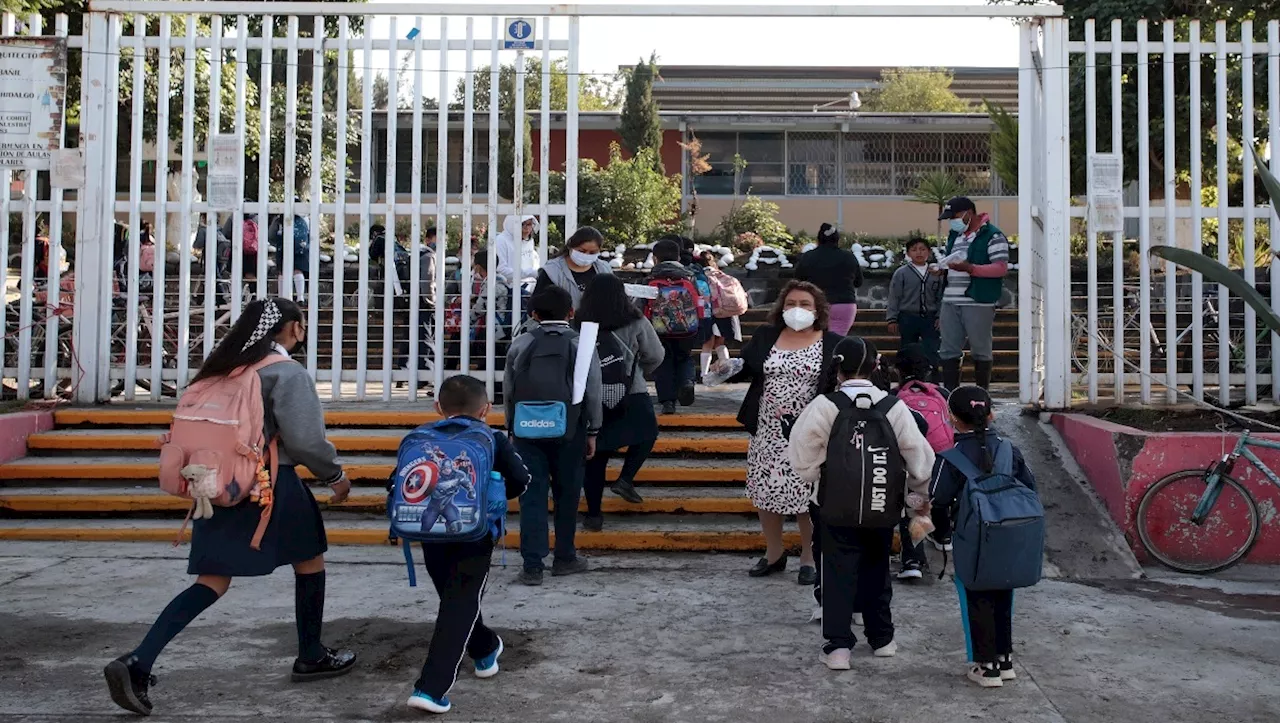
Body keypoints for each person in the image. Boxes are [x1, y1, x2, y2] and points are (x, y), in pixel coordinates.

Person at [103, 299, 356, 716]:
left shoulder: (220, 370)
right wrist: (335, 478)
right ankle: (311, 655)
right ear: (291, 327)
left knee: (213, 579)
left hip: (216, 484)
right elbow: (306, 441)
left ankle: (139, 660)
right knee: (309, 560)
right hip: (270, 484)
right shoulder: (286, 372)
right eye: (302, 324)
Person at [787, 336, 935, 670]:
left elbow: (801, 458)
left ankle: (838, 647)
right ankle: (882, 638)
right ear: (876, 367)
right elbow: (920, 460)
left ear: (837, 368)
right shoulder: (893, 406)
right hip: (883, 506)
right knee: (877, 569)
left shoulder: (825, 405)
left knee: (837, 573)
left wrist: (822, 475)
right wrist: (916, 498)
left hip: (834, 508)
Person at [405, 375, 531, 715]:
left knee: (455, 600)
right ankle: (434, 688)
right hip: (475, 533)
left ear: (437, 407)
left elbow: (398, 483)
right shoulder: (492, 439)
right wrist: (488, 500)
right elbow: (522, 480)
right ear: (486, 409)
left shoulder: (421, 437)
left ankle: (482, 651)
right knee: (459, 601)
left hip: (429, 532)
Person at [727, 280, 844, 584]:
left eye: (805, 304)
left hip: (811, 432)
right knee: (766, 493)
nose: (797, 310)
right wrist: (723, 369)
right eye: (791, 303)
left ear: (817, 310)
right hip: (767, 430)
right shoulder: (767, 335)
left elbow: (838, 384)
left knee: (807, 497)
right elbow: (746, 366)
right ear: (782, 307)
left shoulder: (832, 342)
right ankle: (774, 552)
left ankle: (809, 555)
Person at [931, 385, 1037, 687]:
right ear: (991, 413)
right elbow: (1029, 485)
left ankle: (985, 665)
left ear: (952, 418)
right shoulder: (1008, 448)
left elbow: (938, 497)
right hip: (1009, 532)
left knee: (978, 596)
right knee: (1004, 592)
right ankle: (1005, 660)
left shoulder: (951, 457)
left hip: (971, 535)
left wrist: (942, 533)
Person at [504, 285, 602, 586]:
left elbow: (508, 391)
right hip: (570, 429)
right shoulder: (580, 344)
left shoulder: (521, 343)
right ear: (571, 312)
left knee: (531, 497)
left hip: (526, 431)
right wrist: (593, 430)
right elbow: (593, 390)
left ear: (533, 314)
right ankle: (565, 557)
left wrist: (512, 428)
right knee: (567, 495)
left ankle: (532, 566)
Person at [575, 273, 665, 531]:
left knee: (595, 454)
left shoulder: (579, 322)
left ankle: (593, 514)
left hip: (590, 395)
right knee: (647, 433)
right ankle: (625, 478)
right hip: (631, 391)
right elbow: (656, 354)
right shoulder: (635, 320)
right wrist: (637, 371)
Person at [891, 344, 953, 580]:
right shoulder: (943, 394)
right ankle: (944, 536)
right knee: (938, 498)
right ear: (928, 370)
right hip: (943, 459)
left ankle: (913, 561)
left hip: (913, 461)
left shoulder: (895, 397)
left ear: (898, 370)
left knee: (915, 505)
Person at [935, 197, 1010, 390]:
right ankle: (952, 396)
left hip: (978, 301)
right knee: (948, 349)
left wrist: (970, 268)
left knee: (980, 349)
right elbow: (952, 262)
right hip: (950, 300)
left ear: (969, 213)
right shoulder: (955, 236)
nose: (952, 221)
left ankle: (982, 394)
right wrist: (942, 268)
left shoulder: (992, 235)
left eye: (955, 216)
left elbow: (1000, 268)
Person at [645, 238, 703, 415]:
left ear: (655, 258)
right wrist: (698, 322)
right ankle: (686, 383)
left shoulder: (651, 278)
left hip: (659, 330)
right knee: (685, 358)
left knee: (663, 363)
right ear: (678, 256)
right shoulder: (689, 276)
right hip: (687, 329)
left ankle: (667, 402)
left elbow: (643, 305)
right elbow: (699, 301)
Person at [886, 236, 945, 376]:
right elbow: (895, 296)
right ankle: (907, 378)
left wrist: (940, 316)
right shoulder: (901, 273)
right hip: (908, 317)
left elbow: (941, 296)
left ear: (929, 252)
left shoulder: (936, 273)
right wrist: (892, 318)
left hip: (930, 318)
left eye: (922, 249)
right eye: (914, 250)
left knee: (931, 350)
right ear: (908, 254)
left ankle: (933, 381)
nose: (919, 253)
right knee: (907, 350)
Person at [794, 222, 863, 336]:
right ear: (837, 239)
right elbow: (858, 282)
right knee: (836, 341)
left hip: (815, 304)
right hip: (844, 304)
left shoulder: (808, 257)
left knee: (814, 340)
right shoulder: (848, 257)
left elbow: (798, 280)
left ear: (818, 239)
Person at [532, 226, 613, 309]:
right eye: (581, 251)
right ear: (570, 247)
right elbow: (535, 305)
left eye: (592, 253)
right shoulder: (552, 271)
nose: (586, 255)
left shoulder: (604, 269)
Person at [696, 251, 746, 386]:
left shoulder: (701, 277)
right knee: (720, 343)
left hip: (709, 313)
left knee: (707, 343)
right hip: (725, 314)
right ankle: (727, 371)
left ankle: (704, 374)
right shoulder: (721, 275)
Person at [494, 214, 540, 292]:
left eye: (529, 224)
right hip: (509, 287)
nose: (526, 229)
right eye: (522, 224)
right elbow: (501, 269)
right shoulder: (501, 240)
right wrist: (530, 273)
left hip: (530, 284)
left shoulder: (529, 241)